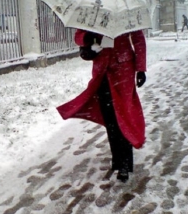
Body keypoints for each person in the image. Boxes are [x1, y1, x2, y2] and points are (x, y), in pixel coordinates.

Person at [57, 29, 147, 182]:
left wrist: (140, 69)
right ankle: (117, 159)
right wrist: (88, 37)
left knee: (123, 114)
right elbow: (78, 36)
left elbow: (138, 38)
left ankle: (125, 163)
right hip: (102, 71)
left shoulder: (126, 12)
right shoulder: (94, 12)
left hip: (123, 70)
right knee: (109, 117)